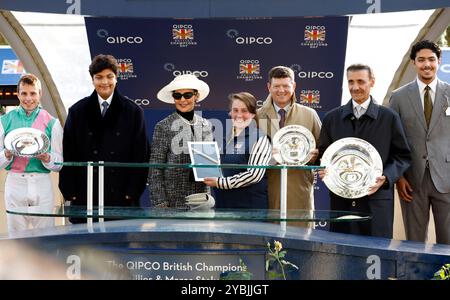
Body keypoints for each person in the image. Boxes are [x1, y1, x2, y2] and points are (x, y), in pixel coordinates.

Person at [318, 64, 411, 238]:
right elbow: (324, 154)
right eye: (351, 82)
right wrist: (323, 168)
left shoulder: (389, 117)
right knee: (342, 254)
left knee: (376, 255)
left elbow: (402, 156)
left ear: (372, 82)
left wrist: (387, 178)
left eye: (361, 81)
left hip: (376, 201)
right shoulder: (332, 118)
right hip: (341, 203)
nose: (355, 87)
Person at [59, 54, 150, 221]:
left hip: (121, 196)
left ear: (117, 79)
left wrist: (133, 191)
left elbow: (141, 154)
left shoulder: (133, 112)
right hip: (86, 192)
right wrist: (69, 190)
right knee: (84, 245)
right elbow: (69, 152)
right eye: (99, 77)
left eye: (109, 76)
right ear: (92, 80)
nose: (105, 82)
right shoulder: (77, 111)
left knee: (119, 243)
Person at [388, 40, 450, 244]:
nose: (426, 64)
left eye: (431, 59)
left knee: (448, 243)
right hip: (412, 181)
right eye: (421, 60)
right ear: (413, 62)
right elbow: (392, 140)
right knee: (414, 244)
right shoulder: (398, 97)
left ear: (439, 61)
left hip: (447, 178)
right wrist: (399, 177)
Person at [257, 66, 321, 224]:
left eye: (286, 85)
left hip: (299, 189)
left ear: (294, 86)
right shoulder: (257, 116)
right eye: (277, 86)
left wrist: (315, 156)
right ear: (268, 87)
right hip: (266, 189)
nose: (281, 90)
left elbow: (324, 150)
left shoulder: (309, 114)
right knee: (268, 242)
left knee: (300, 240)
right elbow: (246, 153)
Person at [0, 74, 63, 233]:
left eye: (33, 93)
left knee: (45, 237)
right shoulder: (4, 121)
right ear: (18, 94)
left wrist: (47, 158)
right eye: (24, 93)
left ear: (40, 94)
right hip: (15, 183)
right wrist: (6, 155)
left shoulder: (52, 123)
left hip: (42, 182)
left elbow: (59, 164)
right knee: (16, 238)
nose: (28, 98)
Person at [149, 74, 213, 208]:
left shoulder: (206, 125)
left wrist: (207, 196)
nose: (182, 100)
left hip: (200, 200)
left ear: (196, 96)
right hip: (173, 202)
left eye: (187, 95)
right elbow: (155, 168)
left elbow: (208, 167)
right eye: (177, 96)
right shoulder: (163, 126)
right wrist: (160, 203)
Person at [203, 92, 272, 209]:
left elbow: (254, 175)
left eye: (244, 111)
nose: (239, 115)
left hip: (250, 210)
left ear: (252, 114)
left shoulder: (260, 138)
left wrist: (221, 183)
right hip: (224, 207)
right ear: (230, 113)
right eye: (235, 110)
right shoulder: (225, 138)